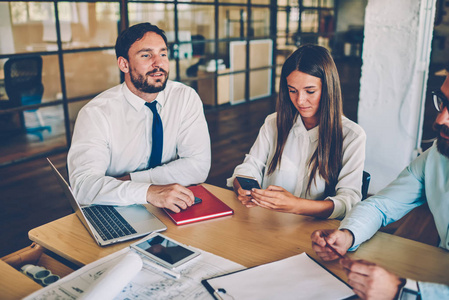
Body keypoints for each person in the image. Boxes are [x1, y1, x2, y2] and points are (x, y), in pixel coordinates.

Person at [311, 73, 449, 299]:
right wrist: (348, 235)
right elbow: (381, 206)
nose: (440, 119)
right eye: (443, 102)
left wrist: (402, 292)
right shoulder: (435, 157)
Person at [68, 23, 211, 213]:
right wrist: (148, 192)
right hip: (117, 209)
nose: (158, 63)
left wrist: (131, 181)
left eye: (163, 54)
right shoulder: (96, 113)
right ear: (124, 64)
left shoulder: (185, 97)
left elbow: (198, 166)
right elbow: (83, 186)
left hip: (172, 205)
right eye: (146, 55)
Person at [227, 44, 366, 219]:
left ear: (328, 89)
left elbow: (349, 201)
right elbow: (250, 166)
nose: (300, 101)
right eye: (292, 91)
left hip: (316, 232)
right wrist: (243, 187)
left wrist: (296, 205)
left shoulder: (352, 136)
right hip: (266, 224)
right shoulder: (273, 123)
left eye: (310, 91)